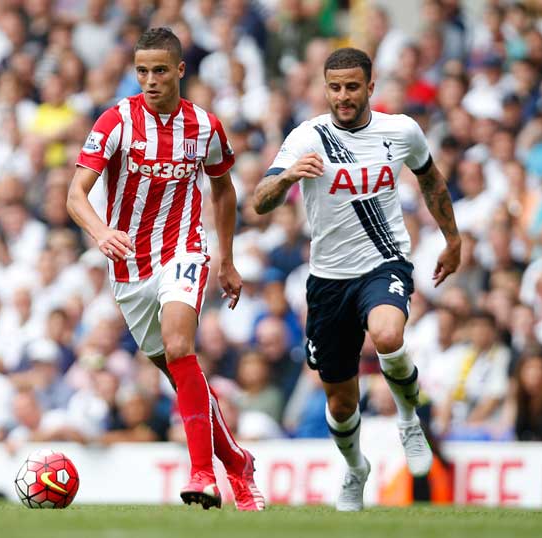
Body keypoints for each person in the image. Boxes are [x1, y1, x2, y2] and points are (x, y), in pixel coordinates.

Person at [252, 47, 461, 511]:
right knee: (342, 404)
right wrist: (287, 177)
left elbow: (432, 181)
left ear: (371, 86)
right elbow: (259, 201)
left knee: (388, 334)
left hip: (384, 263)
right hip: (327, 281)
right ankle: (355, 469)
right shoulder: (307, 137)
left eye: (352, 86)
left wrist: (452, 239)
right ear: (325, 88)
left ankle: (409, 421)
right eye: (335, 87)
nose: (343, 96)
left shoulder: (401, 130)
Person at [66, 28, 263, 511]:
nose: (150, 80)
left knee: (180, 346)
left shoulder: (205, 126)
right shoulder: (115, 121)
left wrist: (229, 259)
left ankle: (202, 474)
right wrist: (101, 232)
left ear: (179, 69)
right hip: (130, 265)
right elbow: (75, 194)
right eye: (141, 72)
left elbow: (224, 190)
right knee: (181, 375)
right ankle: (237, 463)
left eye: (159, 70)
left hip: (184, 250)